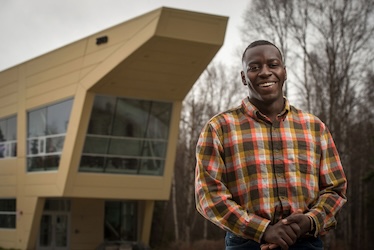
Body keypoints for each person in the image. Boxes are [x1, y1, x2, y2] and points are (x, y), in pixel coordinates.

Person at [194, 40, 347, 250]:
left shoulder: (314, 127)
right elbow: (209, 196)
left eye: (272, 65)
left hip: (306, 243)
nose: (265, 72)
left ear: (284, 72)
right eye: (254, 67)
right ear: (243, 77)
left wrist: (310, 221)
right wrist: (263, 230)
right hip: (246, 244)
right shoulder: (218, 128)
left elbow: (335, 189)